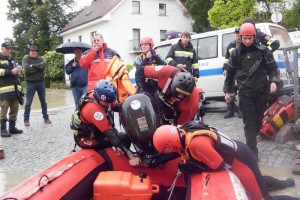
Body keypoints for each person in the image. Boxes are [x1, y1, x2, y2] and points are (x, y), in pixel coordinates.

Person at [153, 121, 298, 200]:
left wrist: (193, 167)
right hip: (239, 151)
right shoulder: (183, 130)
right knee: (258, 179)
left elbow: (218, 166)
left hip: (241, 161)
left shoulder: (196, 144)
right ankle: (287, 183)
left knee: (262, 198)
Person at [223, 23, 279, 157]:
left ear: (254, 37)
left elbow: (272, 69)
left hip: (261, 91)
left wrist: (273, 81)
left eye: (250, 38)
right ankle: (252, 153)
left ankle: (252, 141)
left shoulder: (263, 50)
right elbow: (230, 74)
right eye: (244, 38)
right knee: (249, 123)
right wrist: (227, 91)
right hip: (245, 93)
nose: (247, 41)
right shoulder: (235, 53)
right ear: (240, 37)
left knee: (258, 121)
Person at [70, 80, 141, 166]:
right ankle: (121, 162)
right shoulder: (93, 110)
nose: (109, 104)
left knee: (124, 136)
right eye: (107, 103)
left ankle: (121, 155)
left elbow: (119, 107)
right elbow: (112, 136)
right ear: (98, 98)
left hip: (96, 132)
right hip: (85, 138)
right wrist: (131, 156)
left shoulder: (106, 99)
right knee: (121, 138)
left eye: (110, 102)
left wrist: (137, 109)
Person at [135, 64, 199, 125]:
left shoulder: (192, 101)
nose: (177, 97)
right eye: (176, 94)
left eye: (182, 96)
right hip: (158, 96)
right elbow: (140, 71)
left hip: (175, 111)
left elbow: (181, 126)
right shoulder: (166, 71)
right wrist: (142, 92)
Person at [22, 44, 52, 126]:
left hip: (40, 82)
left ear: (37, 52)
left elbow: (44, 66)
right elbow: (27, 70)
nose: (33, 52)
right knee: (28, 102)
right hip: (30, 83)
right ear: (29, 51)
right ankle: (26, 120)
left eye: (35, 51)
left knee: (43, 101)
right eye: (32, 51)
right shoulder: (25, 59)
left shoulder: (41, 58)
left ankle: (46, 118)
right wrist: (39, 68)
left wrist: (33, 66)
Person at [0, 42, 23, 137]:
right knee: (3, 111)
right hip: (4, 91)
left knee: (14, 109)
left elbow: (16, 71)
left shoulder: (12, 59)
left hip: (15, 90)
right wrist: (10, 72)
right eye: (7, 48)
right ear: (2, 48)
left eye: (10, 48)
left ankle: (12, 128)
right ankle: (3, 129)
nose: (9, 50)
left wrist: (19, 69)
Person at [222, 27, 243, 119]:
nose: (238, 34)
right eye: (237, 33)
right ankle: (230, 111)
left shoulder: (245, 44)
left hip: (242, 72)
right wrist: (225, 69)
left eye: (239, 32)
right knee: (230, 92)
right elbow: (227, 59)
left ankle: (242, 111)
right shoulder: (231, 45)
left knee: (242, 92)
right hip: (232, 72)